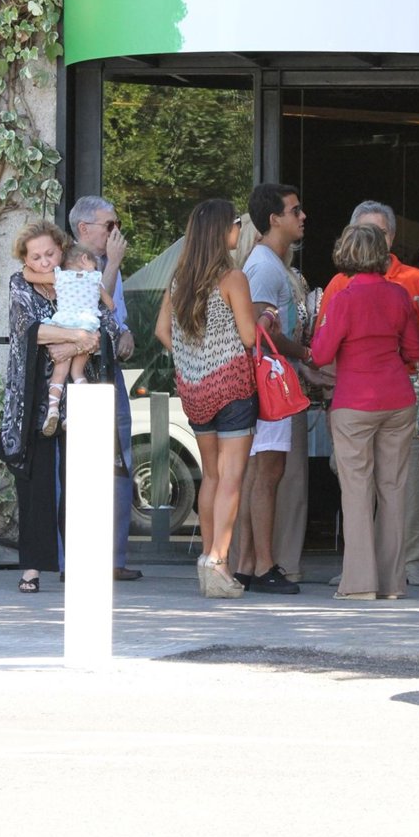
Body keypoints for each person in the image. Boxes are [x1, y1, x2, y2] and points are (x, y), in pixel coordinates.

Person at [317, 201, 419, 586]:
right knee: (393, 489)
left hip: (355, 402)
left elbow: (321, 354)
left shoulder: (343, 296)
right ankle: (392, 581)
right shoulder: (400, 296)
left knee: (357, 493)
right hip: (398, 401)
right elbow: (416, 352)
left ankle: (358, 582)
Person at [155, 199, 260, 598]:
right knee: (232, 477)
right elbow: (249, 338)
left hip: (195, 390)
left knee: (211, 475)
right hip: (232, 386)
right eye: (236, 223)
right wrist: (265, 320)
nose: (238, 229)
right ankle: (219, 561)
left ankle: (210, 561)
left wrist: (191, 359)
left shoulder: (180, 278)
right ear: (223, 231)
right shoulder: (233, 278)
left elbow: (163, 331)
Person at [0, 221, 102, 592]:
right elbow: (29, 329)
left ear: (62, 249)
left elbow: (101, 326)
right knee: (36, 482)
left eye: (50, 253)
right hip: (32, 399)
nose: (44, 261)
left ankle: (78, 564)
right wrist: (76, 336)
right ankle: (32, 568)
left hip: (77, 394)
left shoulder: (79, 275)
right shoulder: (19, 284)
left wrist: (73, 345)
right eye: (36, 256)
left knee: (81, 482)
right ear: (25, 259)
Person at [235, 183, 313, 594]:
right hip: (268, 383)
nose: (302, 217)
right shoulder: (265, 267)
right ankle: (264, 565)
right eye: (295, 210)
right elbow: (259, 331)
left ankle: (248, 563)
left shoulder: (268, 262)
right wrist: (304, 352)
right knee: (267, 471)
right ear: (273, 219)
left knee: (260, 472)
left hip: (267, 379)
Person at [67, 196, 143, 581]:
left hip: (110, 375)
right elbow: (92, 313)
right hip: (81, 377)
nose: (117, 233)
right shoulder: (70, 264)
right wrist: (112, 264)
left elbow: (116, 317)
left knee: (119, 464)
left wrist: (126, 333)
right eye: (109, 226)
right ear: (84, 229)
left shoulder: (110, 266)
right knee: (79, 469)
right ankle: (75, 560)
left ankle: (114, 558)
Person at [22, 242, 115, 435]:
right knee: (78, 374)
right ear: (84, 259)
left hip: (64, 326)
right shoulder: (95, 280)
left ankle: (53, 410)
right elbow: (111, 305)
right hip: (86, 328)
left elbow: (29, 276)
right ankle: (76, 414)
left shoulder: (59, 276)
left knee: (59, 373)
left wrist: (26, 264)